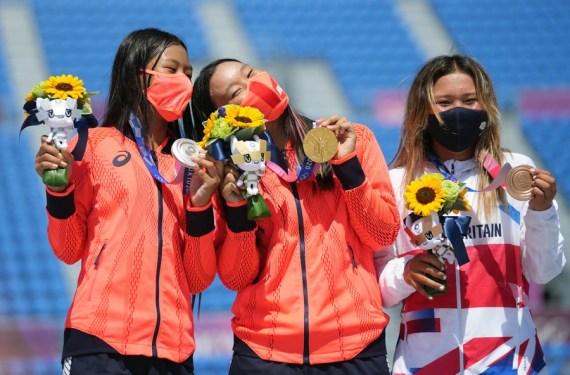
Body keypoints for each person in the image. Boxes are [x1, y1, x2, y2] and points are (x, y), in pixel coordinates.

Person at [191, 58, 400, 374]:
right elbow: (236, 277)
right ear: (223, 118)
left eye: (251, 73)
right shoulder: (231, 173)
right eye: (236, 91)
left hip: (355, 348)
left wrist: (348, 167)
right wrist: (236, 210)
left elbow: (382, 234)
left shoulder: (349, 139)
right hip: (264, 353)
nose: (254, 85)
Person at [33, 28, 221, 374]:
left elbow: (198, 277)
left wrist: (199, 207)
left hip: (173, 351)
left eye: (189, 73)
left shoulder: (196, 162)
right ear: (139, 76)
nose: (184, 81)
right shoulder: (92, 146)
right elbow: (68, 248)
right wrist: (57, 191)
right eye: (172, 69)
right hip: (98, 340)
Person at [376, 54, 566, 374]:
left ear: (486, 107)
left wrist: (541, 211)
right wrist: (405, 271)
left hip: (507, 359)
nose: (458, 110)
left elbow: (544, 272)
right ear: (423, 112)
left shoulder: (514, 173)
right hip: (425, 361)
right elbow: (379, 291)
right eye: (444, 102)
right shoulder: (396, 183)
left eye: (469, 100)